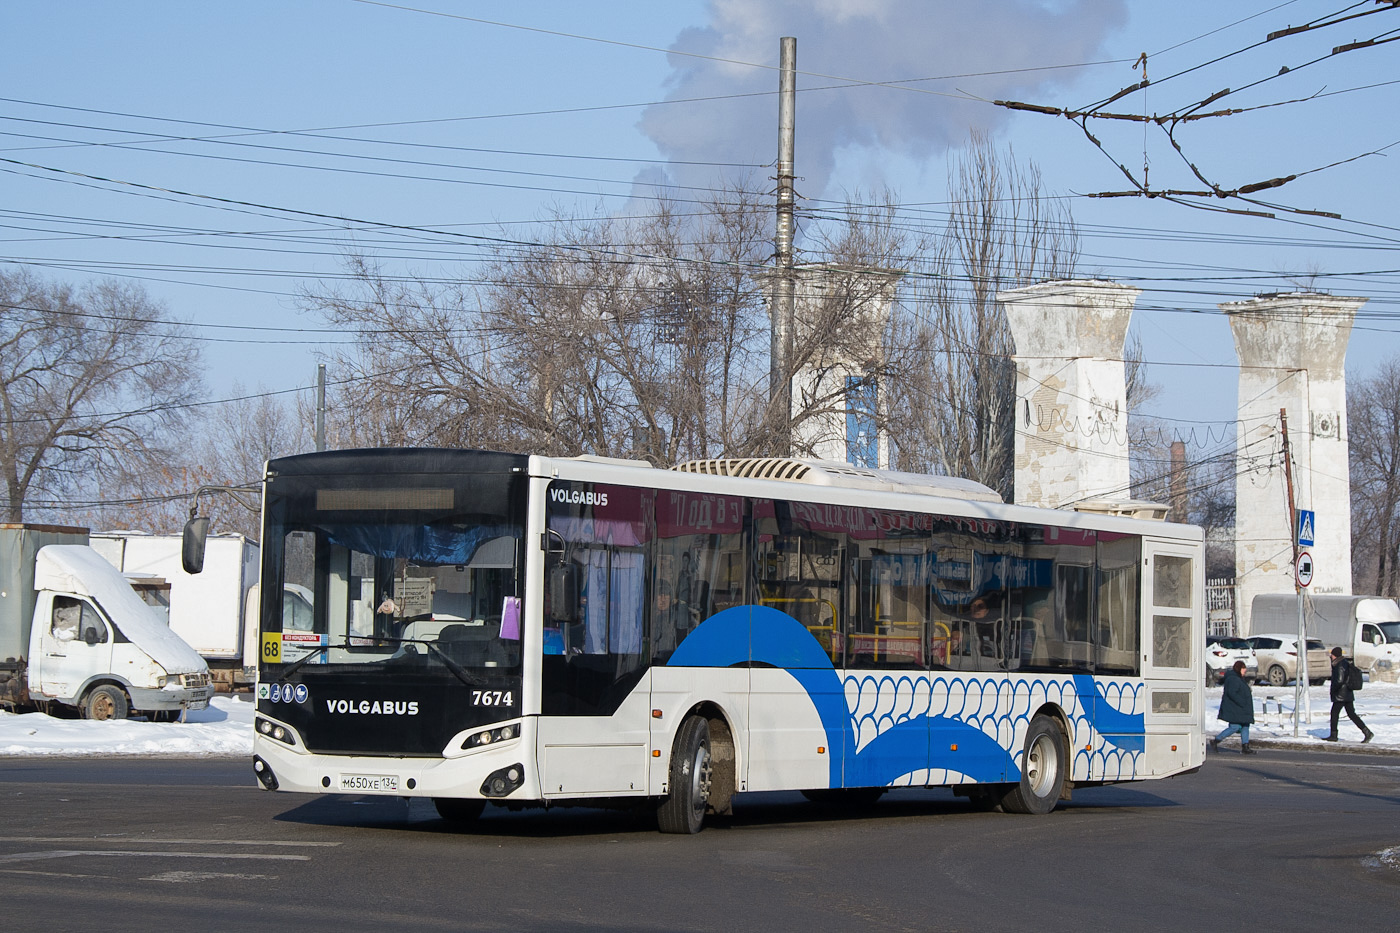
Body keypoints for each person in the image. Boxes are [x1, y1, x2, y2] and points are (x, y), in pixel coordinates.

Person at [1325, 647, 1374, 743]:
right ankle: (1367, 732)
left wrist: (1333, 689)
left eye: (1332, 654)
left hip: (1341, 694)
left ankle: (1333, 735)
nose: (1331, 656)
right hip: (1347, 693)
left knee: (1334, 714)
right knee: (1352, 714)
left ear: (1335, 655)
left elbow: (1339, 680)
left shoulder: (1340, 665)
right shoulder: (1344, 662)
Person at [1212, 660, 1256, 754]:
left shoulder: (1238, 678)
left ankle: (1245, 747)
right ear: (1239, 669)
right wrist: (1242, 702)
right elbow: (1232, 693)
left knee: (1245, 726)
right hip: (1235, 708)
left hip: (1241, 708)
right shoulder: (1233, 679)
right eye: (1243, 668)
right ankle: (1216, 740)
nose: (1245, 670)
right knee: (1234, 727)